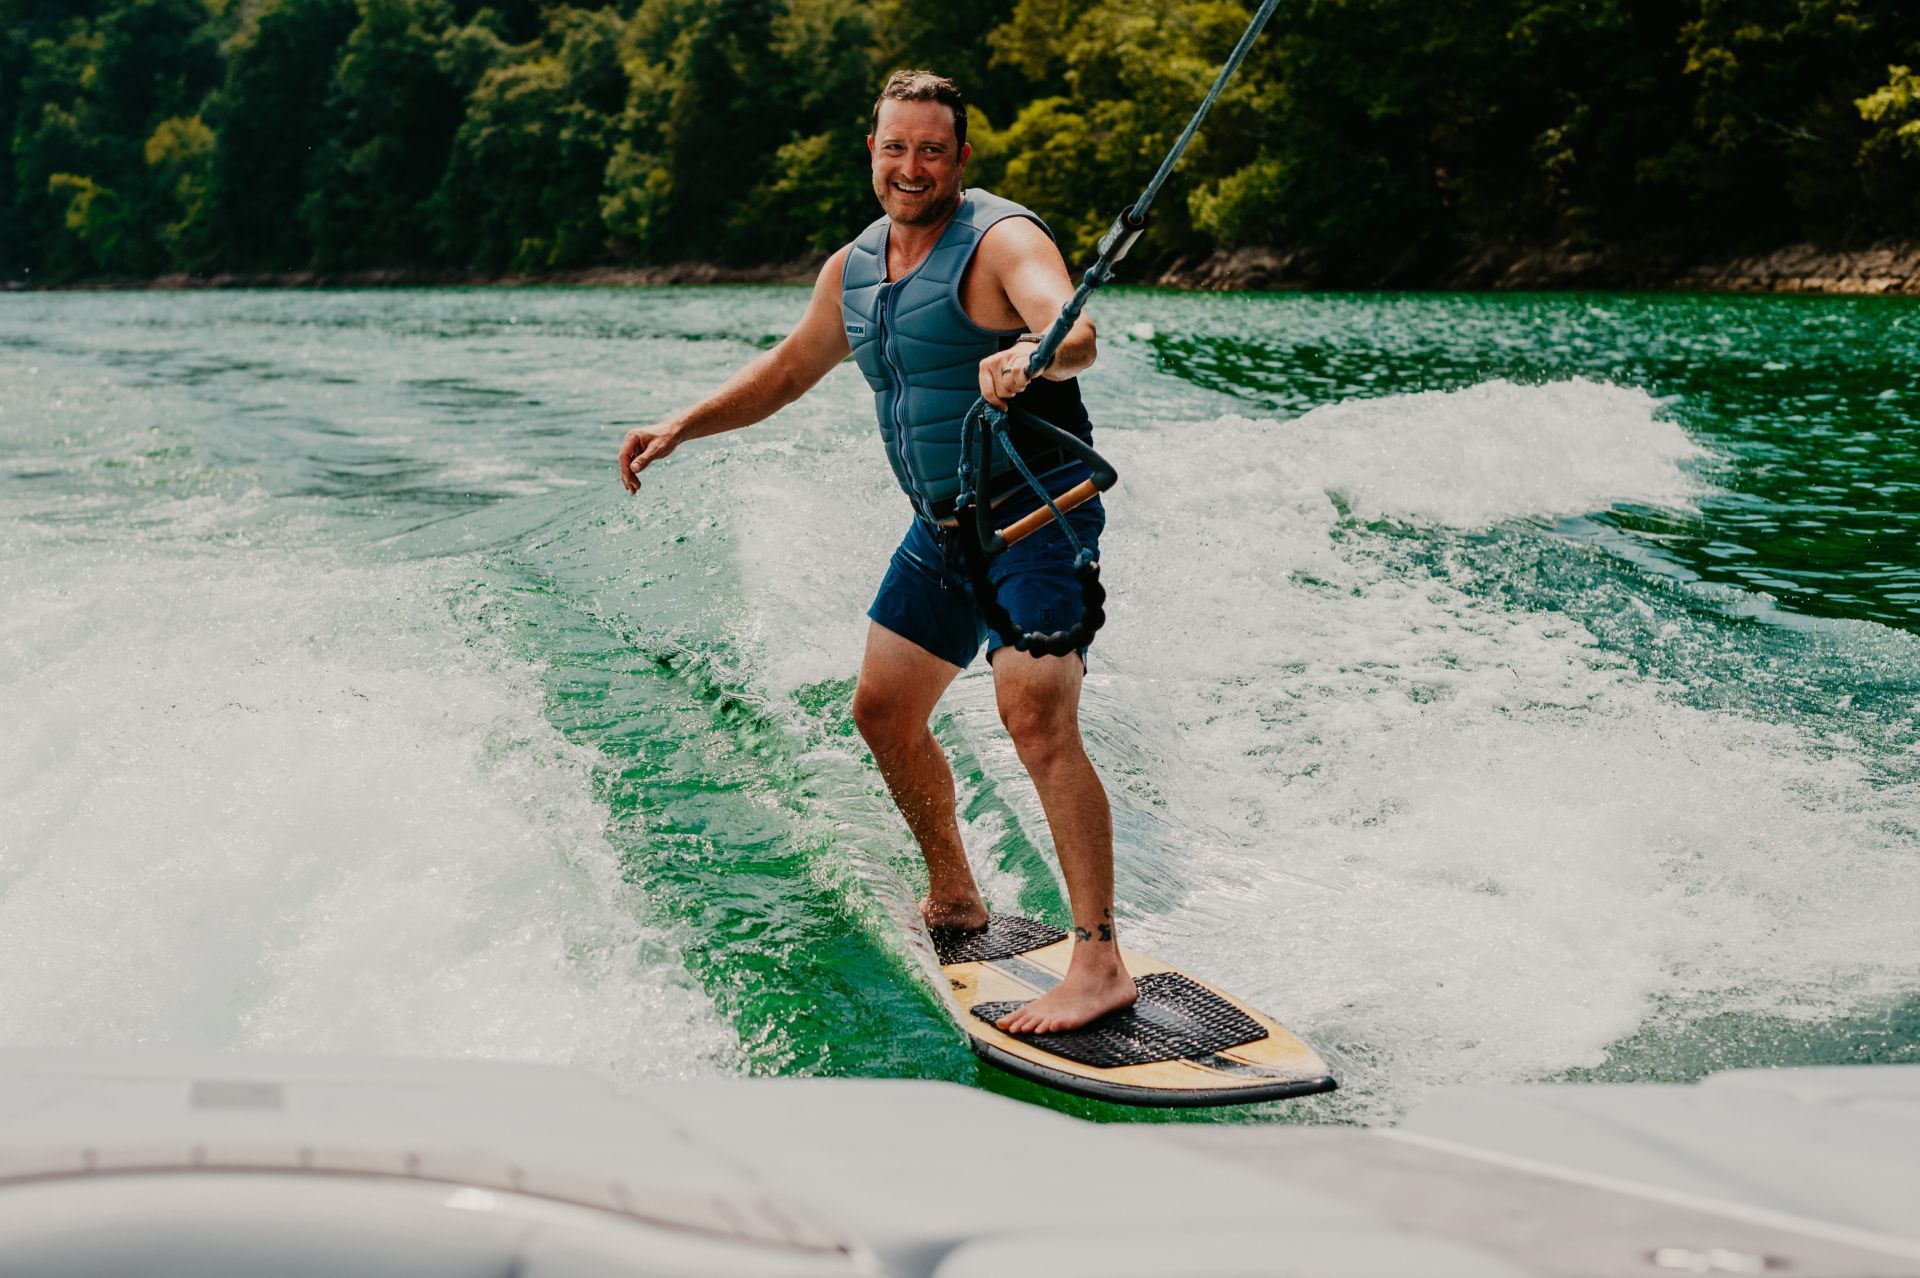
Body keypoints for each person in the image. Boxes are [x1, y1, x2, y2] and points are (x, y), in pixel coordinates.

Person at [617, 70, 1132, 1034]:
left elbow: (1077, 329)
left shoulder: (1003, 239)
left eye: (931, 149)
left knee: (1034, 716)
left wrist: (1033, 352)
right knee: (885, 712)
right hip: (943, 527)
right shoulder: (853, 270)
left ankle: (1098, 961)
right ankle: (955, 895)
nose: (912, 167)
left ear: (960, 158)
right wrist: (684, 423)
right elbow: (788, 370)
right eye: (895, 148)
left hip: (1034, 516)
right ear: (872, 151)